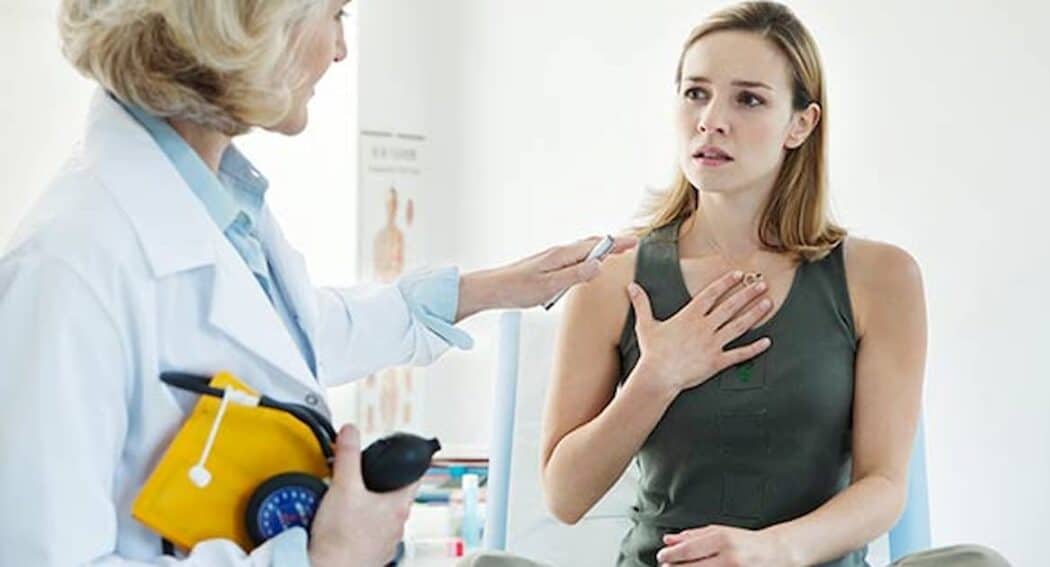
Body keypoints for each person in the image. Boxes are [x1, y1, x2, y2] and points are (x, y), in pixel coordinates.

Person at [0, 1, 632, 565]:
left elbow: (289, 339)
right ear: (249, 22)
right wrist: (324, 558)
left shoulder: (217, 204)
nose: (339, 49)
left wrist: (490, 289)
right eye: (336, 14)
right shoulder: (69, 264)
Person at [539, 3, 1009, 566]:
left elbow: (884, 484)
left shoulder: (882, 278)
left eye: (749, 99)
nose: (712, 119)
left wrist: (775, 550)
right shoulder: (612, 277)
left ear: (801, 123)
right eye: (696, 93)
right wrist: (656, 378)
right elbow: (565, 497)